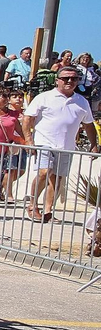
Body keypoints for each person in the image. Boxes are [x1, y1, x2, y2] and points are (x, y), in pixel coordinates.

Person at [23, 65, 97, 222]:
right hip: (44, 142)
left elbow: (89, 124)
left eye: (74, 78)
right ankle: (32, 205)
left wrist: (93, 144)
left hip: (66, 146)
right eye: (65, 78)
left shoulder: (82, 101)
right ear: (57, 81)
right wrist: (29, 140)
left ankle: (48, 210)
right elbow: (28, 118)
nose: (70, 81)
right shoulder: (44, 97)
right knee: (44, 172)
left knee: (57, 178)